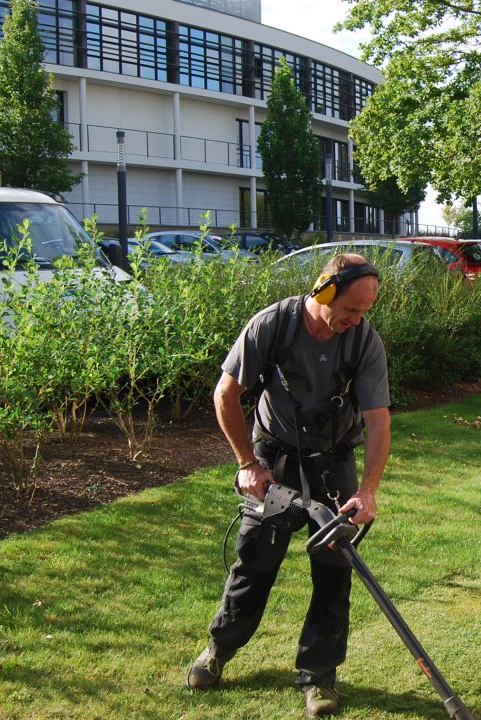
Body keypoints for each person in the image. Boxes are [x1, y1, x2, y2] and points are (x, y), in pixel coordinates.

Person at [186, 253, 391, 719]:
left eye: (364, 312)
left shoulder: (363, 342)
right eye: (351, 309)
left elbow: (378, 422)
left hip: (333, 464)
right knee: (255, 561)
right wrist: (247, 463)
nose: (356, 320)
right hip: (273, 461)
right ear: (324, 290)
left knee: (334, 574)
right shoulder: (272, 325)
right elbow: (225, 394)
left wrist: (370, 489)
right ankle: (217, 651)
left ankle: (319, 679)